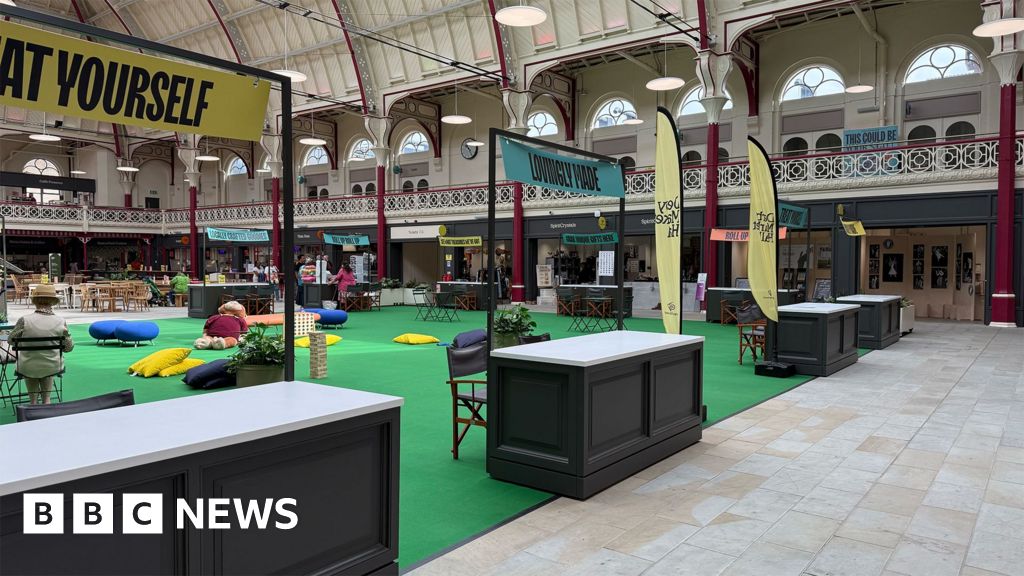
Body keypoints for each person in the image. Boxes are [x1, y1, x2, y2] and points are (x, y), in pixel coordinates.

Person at [9, 284, 74, 404]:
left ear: (35, 301)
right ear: (53, 301)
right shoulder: (61, 321)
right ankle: (46, 401)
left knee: (31, 364)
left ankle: (33, 401)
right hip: (52, 365)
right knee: (47, 366)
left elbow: (11, 341)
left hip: (27, 365)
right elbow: (68, 348)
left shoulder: (24, 320)